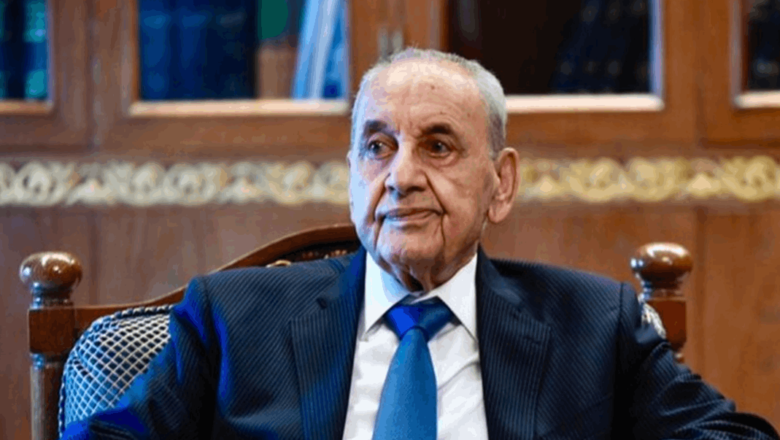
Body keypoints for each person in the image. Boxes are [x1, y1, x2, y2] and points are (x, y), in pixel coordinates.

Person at [64, 49, 779, 440]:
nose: (401, 177)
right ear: (353, 173)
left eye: (438, 146)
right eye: (378, 147)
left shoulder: (595, 326)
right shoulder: (231, 318)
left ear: (501, 183)